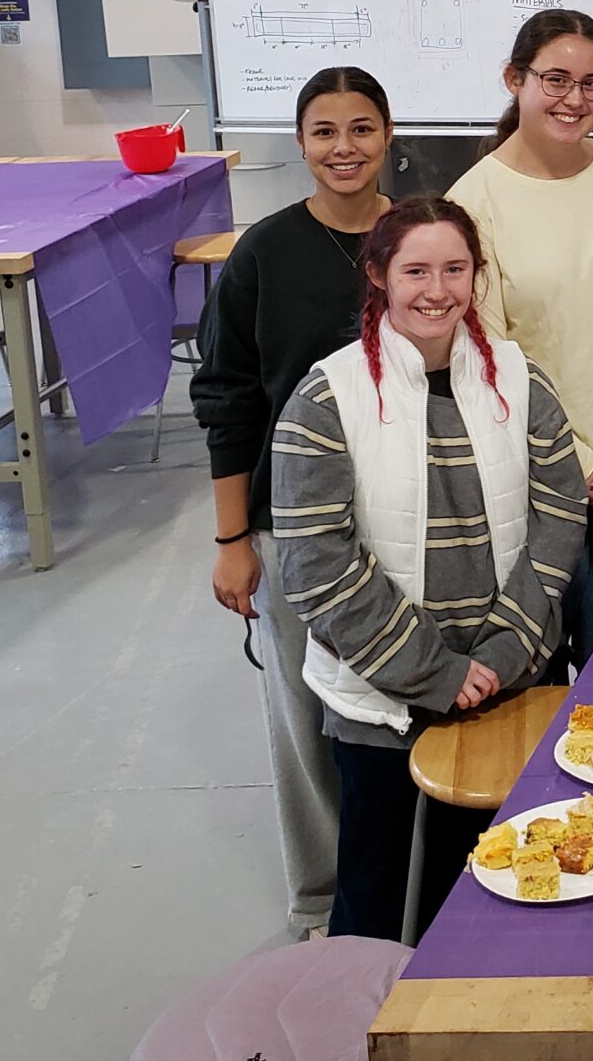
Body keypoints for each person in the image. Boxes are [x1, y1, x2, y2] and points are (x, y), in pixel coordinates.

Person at [270, 197, 586, 941]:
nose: (436, 289)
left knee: (494, 878)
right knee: (376, 888)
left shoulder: (519, 379)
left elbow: (559, 519)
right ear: (379, 274)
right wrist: (435, 672)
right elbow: (317, 565)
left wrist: (502, 656)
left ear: (476, 275)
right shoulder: (327, 397)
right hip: (382, 700)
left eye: (454, 268)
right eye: (415, 270)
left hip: (507, 684)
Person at [191, 66, 393, 940]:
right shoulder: (263, 254)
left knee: (394, 707)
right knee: (305, 718)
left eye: (360, 128)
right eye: (324, 131)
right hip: (294, 526)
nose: (343, 148)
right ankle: (320, 895)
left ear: (389, 135)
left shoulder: (420, 237)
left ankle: (402, 879)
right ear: (301, 142)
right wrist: (235, 538)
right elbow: (228, 399)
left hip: (409, 516)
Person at [448, 11, 593, 672]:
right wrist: (574, 465)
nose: (574, 100)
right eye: (555, 79)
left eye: (592, 83)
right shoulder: (473, 203)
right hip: (531, 483)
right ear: (513, 79)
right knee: (531, 687)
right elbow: (487, 357)